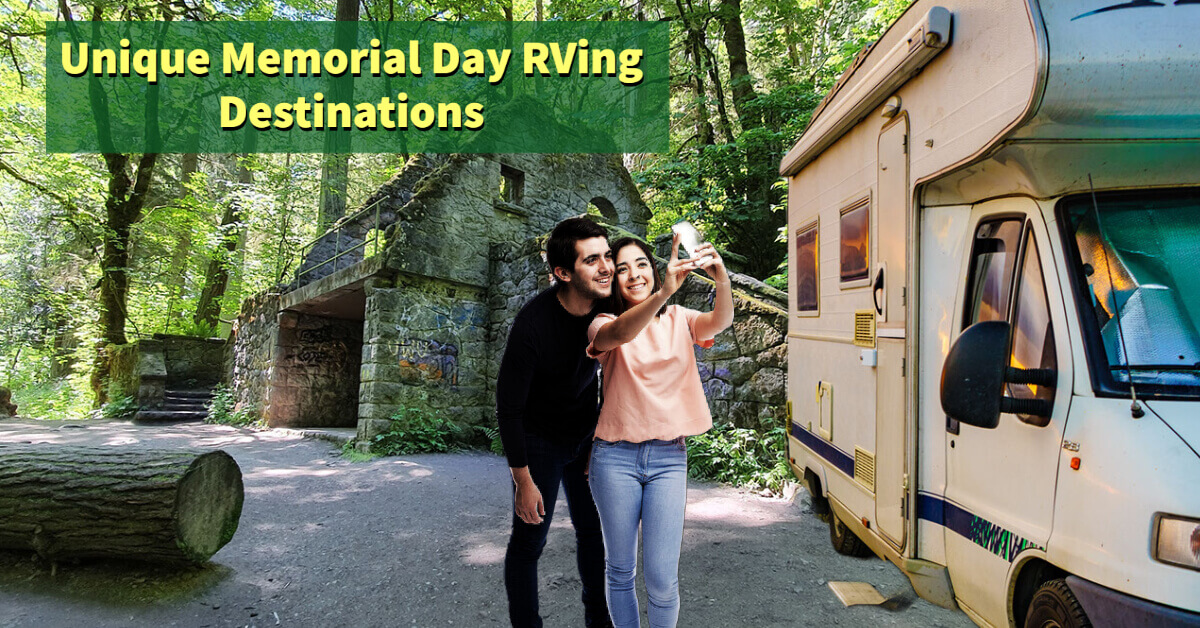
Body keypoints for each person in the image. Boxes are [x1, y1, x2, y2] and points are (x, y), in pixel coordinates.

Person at [585, 234, 733, 628]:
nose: (634, 275)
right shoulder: (603, 323)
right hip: (614, 459)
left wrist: (721, 279)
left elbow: (719, 321)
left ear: (653, 268)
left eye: (641, 265)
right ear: (613, 281)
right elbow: (618, 336)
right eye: (622, 269)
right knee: (620, 571)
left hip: (669, 458)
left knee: (663, 581)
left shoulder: (680, 319)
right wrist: (664, 292)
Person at [496, 216, 615, 628]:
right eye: (591, 260)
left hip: (585, 436)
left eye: (607, 255)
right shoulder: (533, 324)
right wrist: (523, 481)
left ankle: (599, 620)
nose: (607, 267)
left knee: (593, 532)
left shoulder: (610, 302)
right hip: (539, 441)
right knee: (529, 541)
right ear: (563, 273)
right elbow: (508, 408)